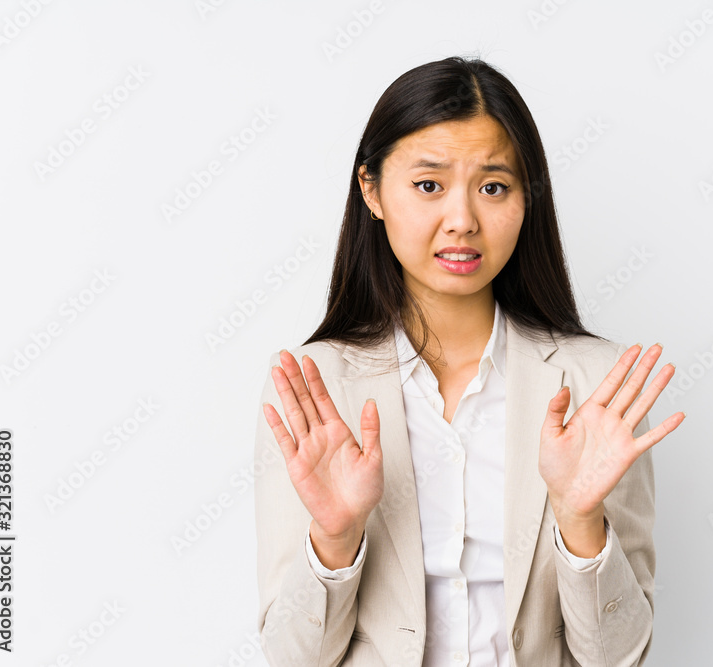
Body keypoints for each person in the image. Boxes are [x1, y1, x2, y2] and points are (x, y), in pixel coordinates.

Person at [253, 55, 685, 666]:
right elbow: (292, 659)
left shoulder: (598, 388)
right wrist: (334, 539)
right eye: (429, 185)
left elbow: (620, 658)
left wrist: (580, 522)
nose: (462, 221)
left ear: (527, 198)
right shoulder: (313, 391)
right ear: (371, 190)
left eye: (493, 187)